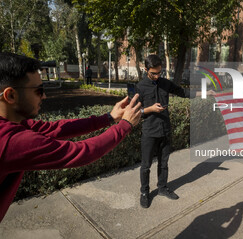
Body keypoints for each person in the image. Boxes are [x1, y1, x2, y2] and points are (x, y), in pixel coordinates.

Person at [0, 52, 141, 222]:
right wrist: (125, 125)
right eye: (39, 90)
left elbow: (57, 129)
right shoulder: (9, 141)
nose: (44, 96)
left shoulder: (15, 124)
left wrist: (109, 117)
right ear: (10, 96)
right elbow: (81, 152)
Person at [135, 54, 186, 208]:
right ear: (146, 70)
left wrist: (205, 93)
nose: (157, 76)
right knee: (146, 165)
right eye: (153, 73)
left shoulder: (164, 83)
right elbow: (135, 112)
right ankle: (144, 192)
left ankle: (162, 188)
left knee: (164, 163)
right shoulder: (140, 87)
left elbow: (182, 92)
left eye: (159, 73)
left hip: (165, 130)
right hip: (149, 132)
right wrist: (150, 109)